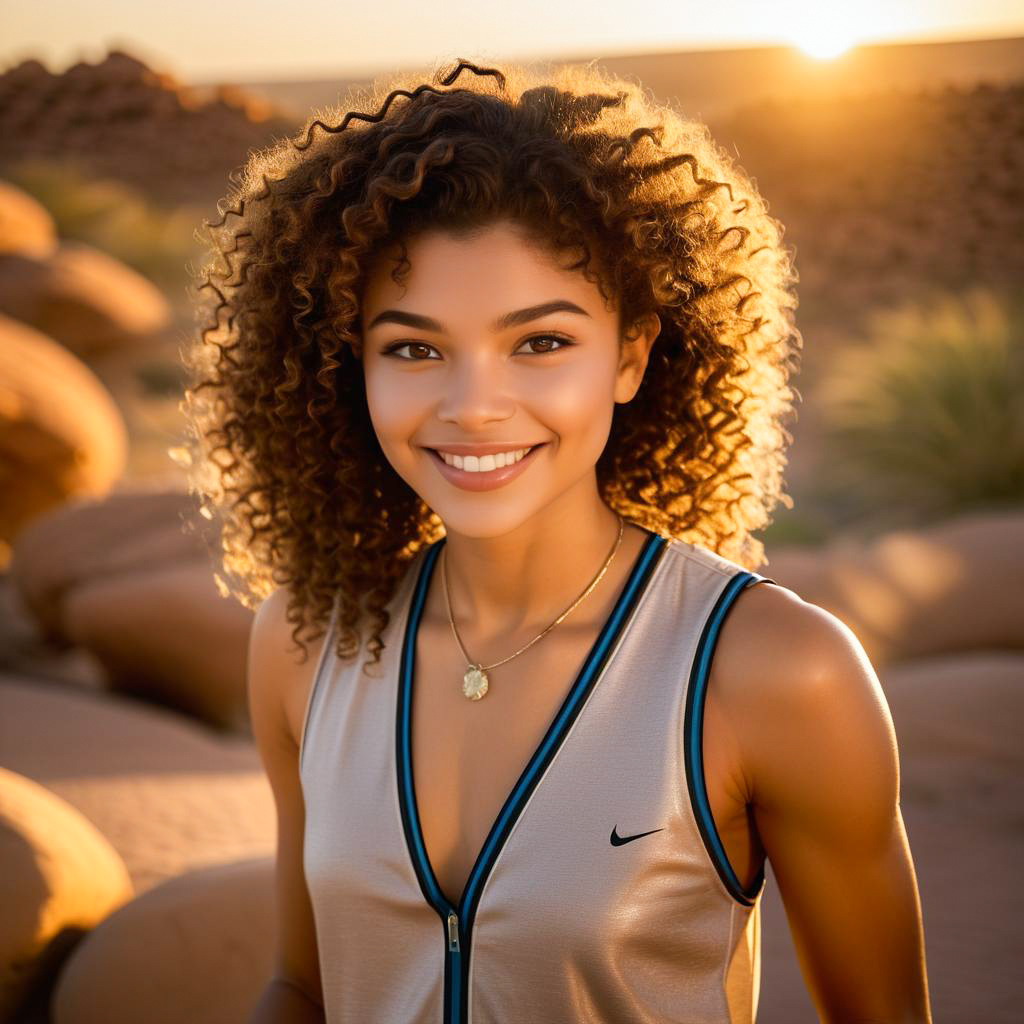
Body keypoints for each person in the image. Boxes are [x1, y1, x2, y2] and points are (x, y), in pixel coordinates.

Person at [181, 56, 932, 1023]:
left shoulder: (777, 673)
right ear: (348, 365)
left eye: (540, 342)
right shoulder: (307, 641)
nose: (474, 406)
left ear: (630, 355)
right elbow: (301, 986)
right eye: (414, 348)